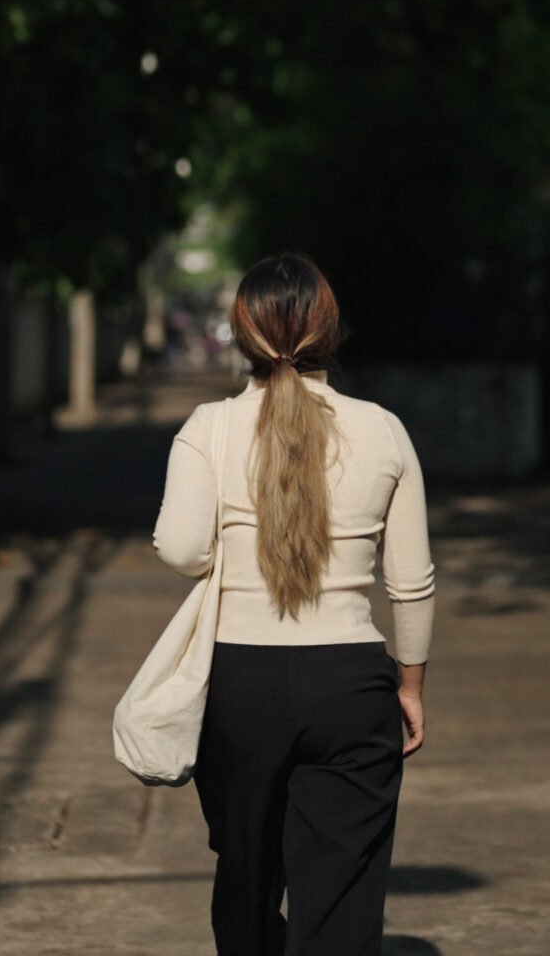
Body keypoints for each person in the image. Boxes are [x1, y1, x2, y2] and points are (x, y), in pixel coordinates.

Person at [150, 253, 435, 956]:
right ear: (329, 331)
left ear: (242, 334)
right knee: (340, 899)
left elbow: (180, 548)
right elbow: (411, 581)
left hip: (238, 688)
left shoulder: (208, 428)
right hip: (350, 688)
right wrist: (411, 686)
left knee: (245, 880)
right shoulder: (384, 430)